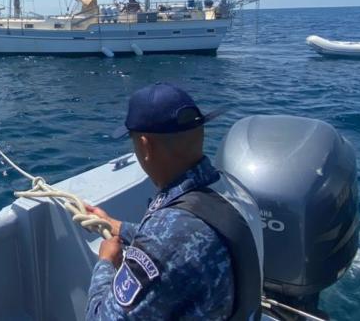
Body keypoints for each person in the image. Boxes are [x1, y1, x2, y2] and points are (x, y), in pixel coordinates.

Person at [85, 83, 263, 320]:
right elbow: (183, 240)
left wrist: (106, 262)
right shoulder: (234, 190)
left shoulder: (172, 234)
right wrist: (117, 226)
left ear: (145, 146)